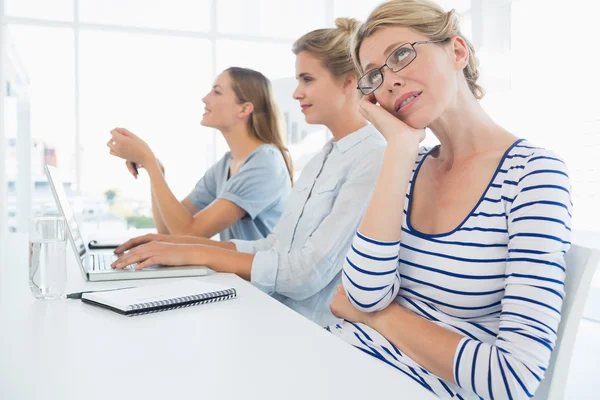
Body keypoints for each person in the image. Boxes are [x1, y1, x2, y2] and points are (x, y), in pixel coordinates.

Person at [327, 1, 572, 399]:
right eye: (374, 76)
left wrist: (381, 318)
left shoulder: (534, 174)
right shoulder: (407, 165)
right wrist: (399, 150)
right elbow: (363, 295)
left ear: (457, 51)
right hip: (338, 361)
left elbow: (513, 378)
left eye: (402, 54)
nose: (389, 82)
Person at [111, 18, 387, 327]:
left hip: (310, 327)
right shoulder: (322, 158)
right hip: (270, 309)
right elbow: (272, 247)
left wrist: (192, 251)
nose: (296, 93)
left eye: (307, 79)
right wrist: (177, 247)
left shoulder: (373, 157)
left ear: (349, 82)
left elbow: (306, 274)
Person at [106, 67, 293, 242]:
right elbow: (168, 231)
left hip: (257, 278)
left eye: (217, 92)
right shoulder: (225, 166)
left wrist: (148, 160)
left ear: (244, 109)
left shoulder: (264, 163)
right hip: (233, 277)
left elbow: (188, 233)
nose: (205, 98)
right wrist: (156, 169)